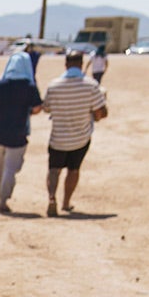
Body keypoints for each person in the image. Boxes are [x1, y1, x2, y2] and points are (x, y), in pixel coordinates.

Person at [42, 51, 108, 214]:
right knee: (74, 170)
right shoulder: (91, 85)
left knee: (54, 169)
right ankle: (66, 202)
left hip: (58, 137)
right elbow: (101, 112)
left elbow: (46, 108)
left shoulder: (54, 85)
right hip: (81, 137)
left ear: (66, 65)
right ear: (81, 64)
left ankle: (52, 197)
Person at [0, 51, 43, 213]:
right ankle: (3, 199)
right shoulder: (30, 88)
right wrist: (25, 111)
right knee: (10, 170)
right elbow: (37, 108)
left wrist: (0, 108)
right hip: (18, 134)